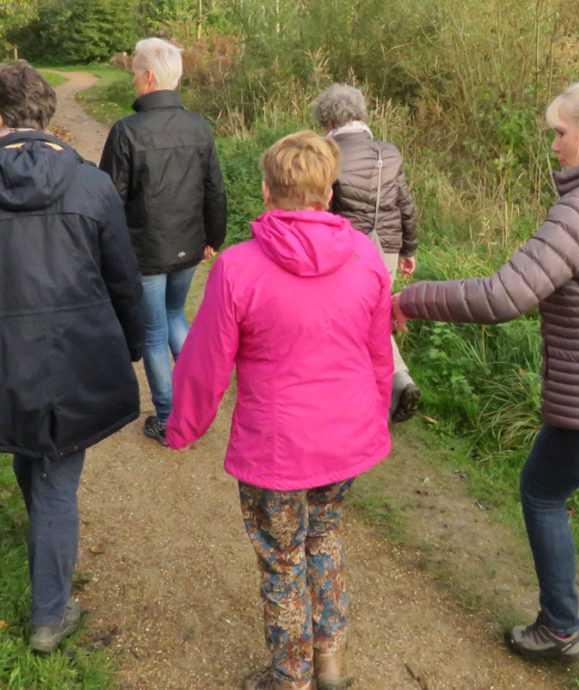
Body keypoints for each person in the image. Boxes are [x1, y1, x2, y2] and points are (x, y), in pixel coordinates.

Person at [392, 75, 579, 690]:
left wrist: (412, 298)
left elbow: (503, 295)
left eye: (560, 133)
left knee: (541, 491)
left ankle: (560, 628)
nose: (554, 145)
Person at [166, 131, 393, 690]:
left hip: (278, 449)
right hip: (344, 439)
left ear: (267, 190)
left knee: (283, 558)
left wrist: (183, 427)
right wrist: (375, 415)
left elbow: (205, 362)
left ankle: (290, 675)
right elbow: (378, 352)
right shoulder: (365, 255)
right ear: (329, 191)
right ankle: (331, 663)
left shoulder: (238, 267)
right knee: (327, 538)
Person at [0, 61, 144, 653]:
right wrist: (131, 346)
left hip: (7, 363)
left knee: (33, 456)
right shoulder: (91, 184)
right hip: (71, 363)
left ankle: (48, 599)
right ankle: (49, 616)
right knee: (55, 474)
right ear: (46, 115)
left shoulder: (93, 184)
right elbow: (124, 281)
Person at [100, 37, 227, 447]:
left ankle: (170, 416)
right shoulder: (200, 125)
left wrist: (106, 251)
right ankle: (197, 406)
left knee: (155, 331)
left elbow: (107, 199)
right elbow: (215, 190)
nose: (133, 79)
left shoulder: (126, 131)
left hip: (146, 253)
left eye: (135, 72)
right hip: (188, 246)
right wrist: (214, 236)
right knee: (175, 316)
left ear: (149, 76)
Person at [312, 83, 420, 424]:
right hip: (386, 250)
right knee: (376, 320)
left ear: (327, 120)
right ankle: (398, 381)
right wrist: (408, 249)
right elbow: (405, 203)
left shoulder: (326, 152)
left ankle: (356, 396)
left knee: (345, 325)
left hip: (345, 249)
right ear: (359, 114)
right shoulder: (388, 152)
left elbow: (323, 209)